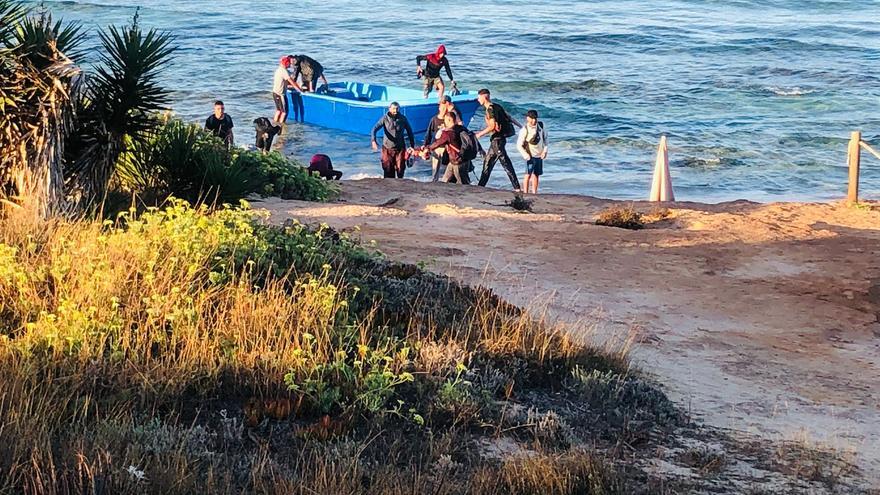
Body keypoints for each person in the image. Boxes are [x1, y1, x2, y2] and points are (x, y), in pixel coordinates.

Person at [475, 89, 522, 191]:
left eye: (479, 98)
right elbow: (509, 117)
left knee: (506, 163)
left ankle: (517, 188)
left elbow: (492, 126)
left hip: (498, 141)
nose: (478, 100)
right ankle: (480, 187)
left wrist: (479, 134)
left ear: (484, 97)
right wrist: (521, 126)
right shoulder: (498, 106)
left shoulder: (490, 109)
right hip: (497, 140)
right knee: (487, 164)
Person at [370, 102, 415, 179]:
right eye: (394, 108)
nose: (395, 110)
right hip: (387, 148)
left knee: (400, 170)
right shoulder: (384, 118)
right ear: (389, 109)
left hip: (400, 148)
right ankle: (388, 188)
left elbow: (409, 131)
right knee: (388, 170)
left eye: (397, 108)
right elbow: (374, 129)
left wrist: (412, 146)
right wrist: (373, 141)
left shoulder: (402, 118)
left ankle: (400, 187)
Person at [422, 111, 467, 183]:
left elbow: (437, 143)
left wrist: (427, 149)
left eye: (445, 120)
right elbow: (471, 137)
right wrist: (480, 149)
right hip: (460, 160)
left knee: (462, 183)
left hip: (457, 161)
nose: (444, 122)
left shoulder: (448, 133)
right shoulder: (462, 128)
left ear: (449, 120)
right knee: (445, 180)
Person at [516, 109, 549, 194]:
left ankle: (535, 193)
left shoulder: (541, 126)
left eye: (535, 118)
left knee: (536, 175)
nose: (534, 120)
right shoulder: (524, 130)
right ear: (528, 118)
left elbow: (546, 139)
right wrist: (525, 155)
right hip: (530, 155)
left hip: (539, 155)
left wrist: (545, 151)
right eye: (532, 118)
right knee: (528, 174)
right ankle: (526, 193)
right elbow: (519, 145)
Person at [423, 96, 452, 181]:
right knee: (435, 169)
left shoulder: (449, 119)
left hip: (447, 147)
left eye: (444, 107)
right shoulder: (434, 119)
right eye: (441, 107)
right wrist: (425, 146)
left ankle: (447, 181)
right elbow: (428, 134)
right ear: (439, 108)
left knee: (449, 168)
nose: (443, 109)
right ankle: (434, 181)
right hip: (437, 147)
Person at [273, 56, 299, 124]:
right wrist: (298, 89)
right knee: (284, 112)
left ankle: (275, 123)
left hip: (275, 93)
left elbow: (290, 76)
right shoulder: (284, 71)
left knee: (278, 110)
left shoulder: (279, 70)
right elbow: (291, 81)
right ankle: (281, 126)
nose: (290, 65)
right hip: (280, 94)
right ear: (286, 63)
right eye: (289, 63)